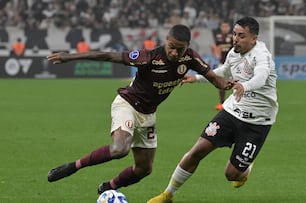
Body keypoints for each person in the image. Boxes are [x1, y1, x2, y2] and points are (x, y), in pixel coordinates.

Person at [46, 24, 235, 194]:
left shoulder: (190, 58)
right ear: (166, 41)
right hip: (127, 104)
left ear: (187, 46)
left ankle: (108, 188)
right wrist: (69, 57)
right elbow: (108, 56)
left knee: (144, 169)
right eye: (172, 47)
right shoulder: (149, 57)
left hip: (148, 115)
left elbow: (212, 77)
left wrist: (226, 84)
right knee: (120, 149)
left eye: (180, 49)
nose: (175, 53)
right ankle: (73, 166)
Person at [147, 16, 278, 203]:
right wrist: (197, 78)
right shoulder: (234, 52)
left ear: (254, 38)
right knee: (197, 150)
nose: (235, 39)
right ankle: (168, 194)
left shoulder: (262, 55)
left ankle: (245, 168)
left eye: (241, 36)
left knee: (232, 175)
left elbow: (262, 77)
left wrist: (244, 86)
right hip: (232, 112)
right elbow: (224, 70)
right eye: (234, 34)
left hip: (257, 123)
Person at [212, 20, 233, 110]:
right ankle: (222, 103)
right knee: (221, 83)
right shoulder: (219, 36)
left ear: (229, 27)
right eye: (223, 26)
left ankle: (237, 103)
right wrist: (216, 52)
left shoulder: (233, 36)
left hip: (233, 64)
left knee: (236, 82)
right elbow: (215, 46)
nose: (224, 28)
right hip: (222, 63)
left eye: (226, 26)